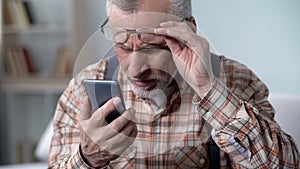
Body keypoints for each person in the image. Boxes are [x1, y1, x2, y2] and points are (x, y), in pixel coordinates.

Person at [48, 0, 299, 168]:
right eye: (122, 46)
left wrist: (209, 89)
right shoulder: (85, 86)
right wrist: (86, 158)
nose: (136, 69)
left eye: (153, 47)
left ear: (187, 31)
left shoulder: (237, 80)